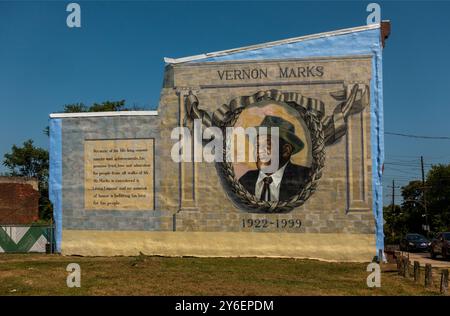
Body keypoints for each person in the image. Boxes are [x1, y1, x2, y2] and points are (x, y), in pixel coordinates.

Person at [238, 115, 311, 201]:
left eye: (267, 145)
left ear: (286, 151)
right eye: (257, 145)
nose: (259, 151)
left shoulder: (305, 178)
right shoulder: (245, 180)